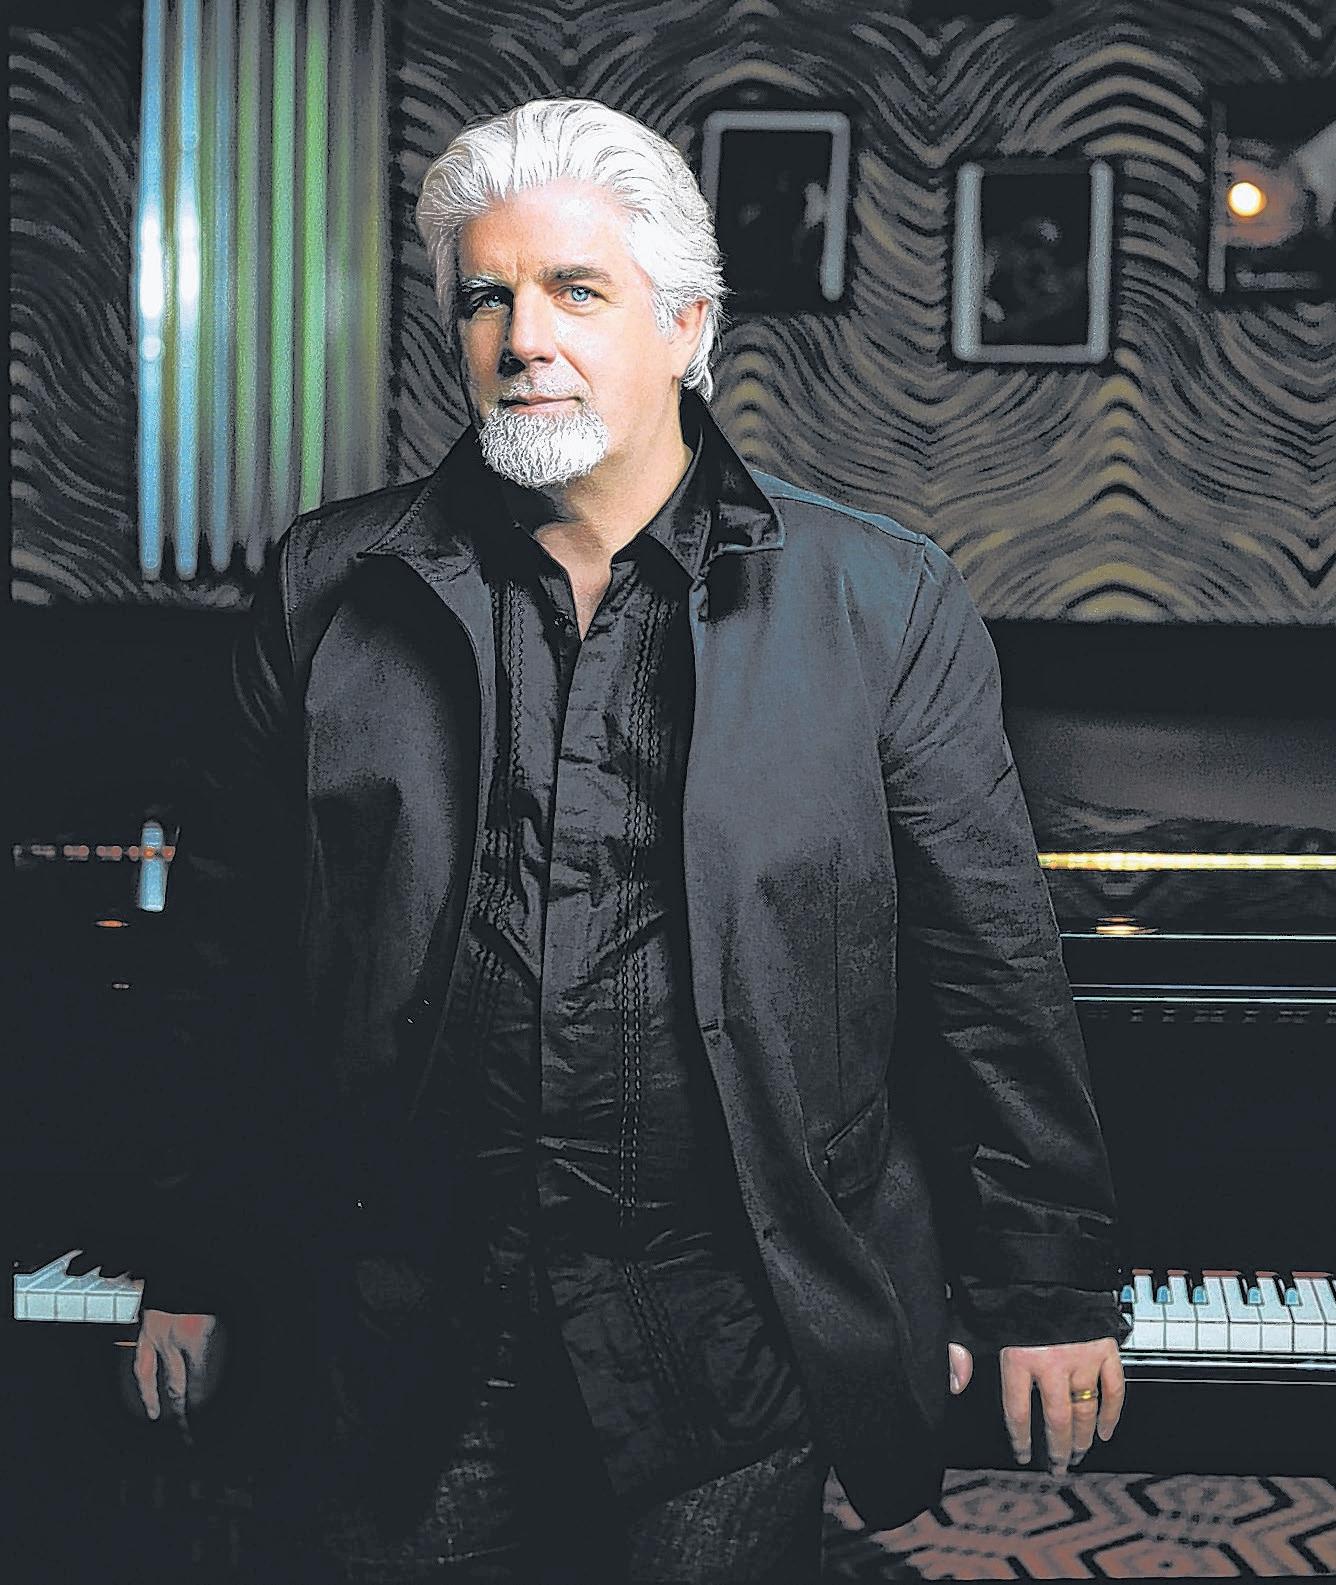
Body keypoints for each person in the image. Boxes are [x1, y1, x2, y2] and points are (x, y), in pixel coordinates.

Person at [132, 96, 1128, 1582]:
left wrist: (1047, 1283)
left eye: (576, 290)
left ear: (686, 326)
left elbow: (988, 964)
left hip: (725, 1340)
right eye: (487, 296)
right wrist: (194, 1263)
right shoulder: (327, 584)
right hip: (398, 1326)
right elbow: (225, 970)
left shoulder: (884, 598)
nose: (523, 336)